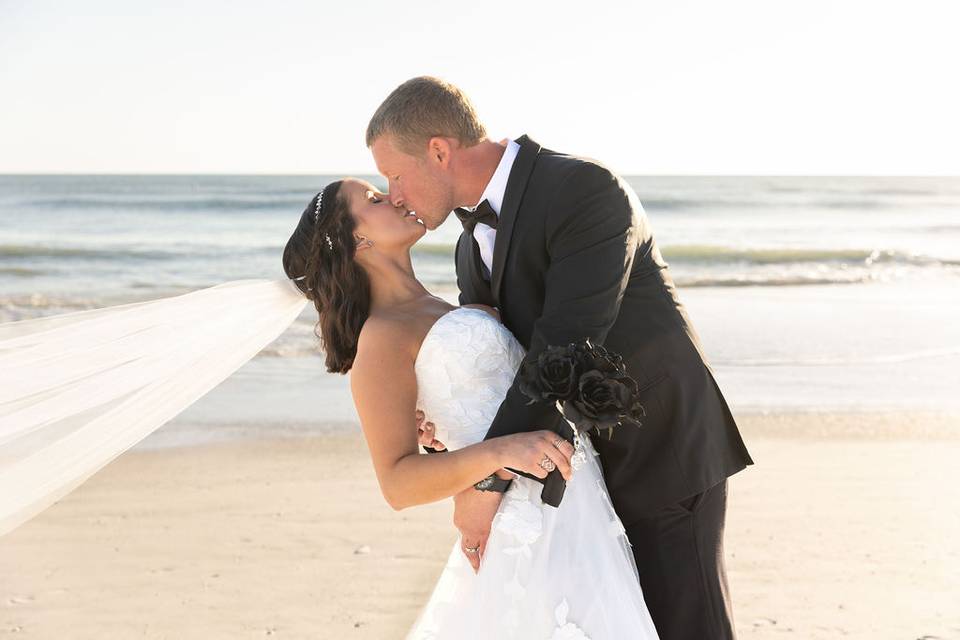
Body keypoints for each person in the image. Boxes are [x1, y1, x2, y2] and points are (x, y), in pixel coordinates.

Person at [364, 76, 754, 640]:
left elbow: (566, 346)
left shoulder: (584, 189)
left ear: (439, 151)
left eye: (394, 175)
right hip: (575, 484)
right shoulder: (468, 242)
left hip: (661, 454)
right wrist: (445, 413)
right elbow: (498, 358)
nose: (394, 194)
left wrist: (486, 484)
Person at [282, 177, 660, 639]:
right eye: (376, 199)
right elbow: (397, 484)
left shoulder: (439, 306)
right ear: (355, 239)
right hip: (516, 518)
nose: (396, 196)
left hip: (577, 497)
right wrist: (501, 453)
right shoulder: (381, 337)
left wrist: (449, 449)